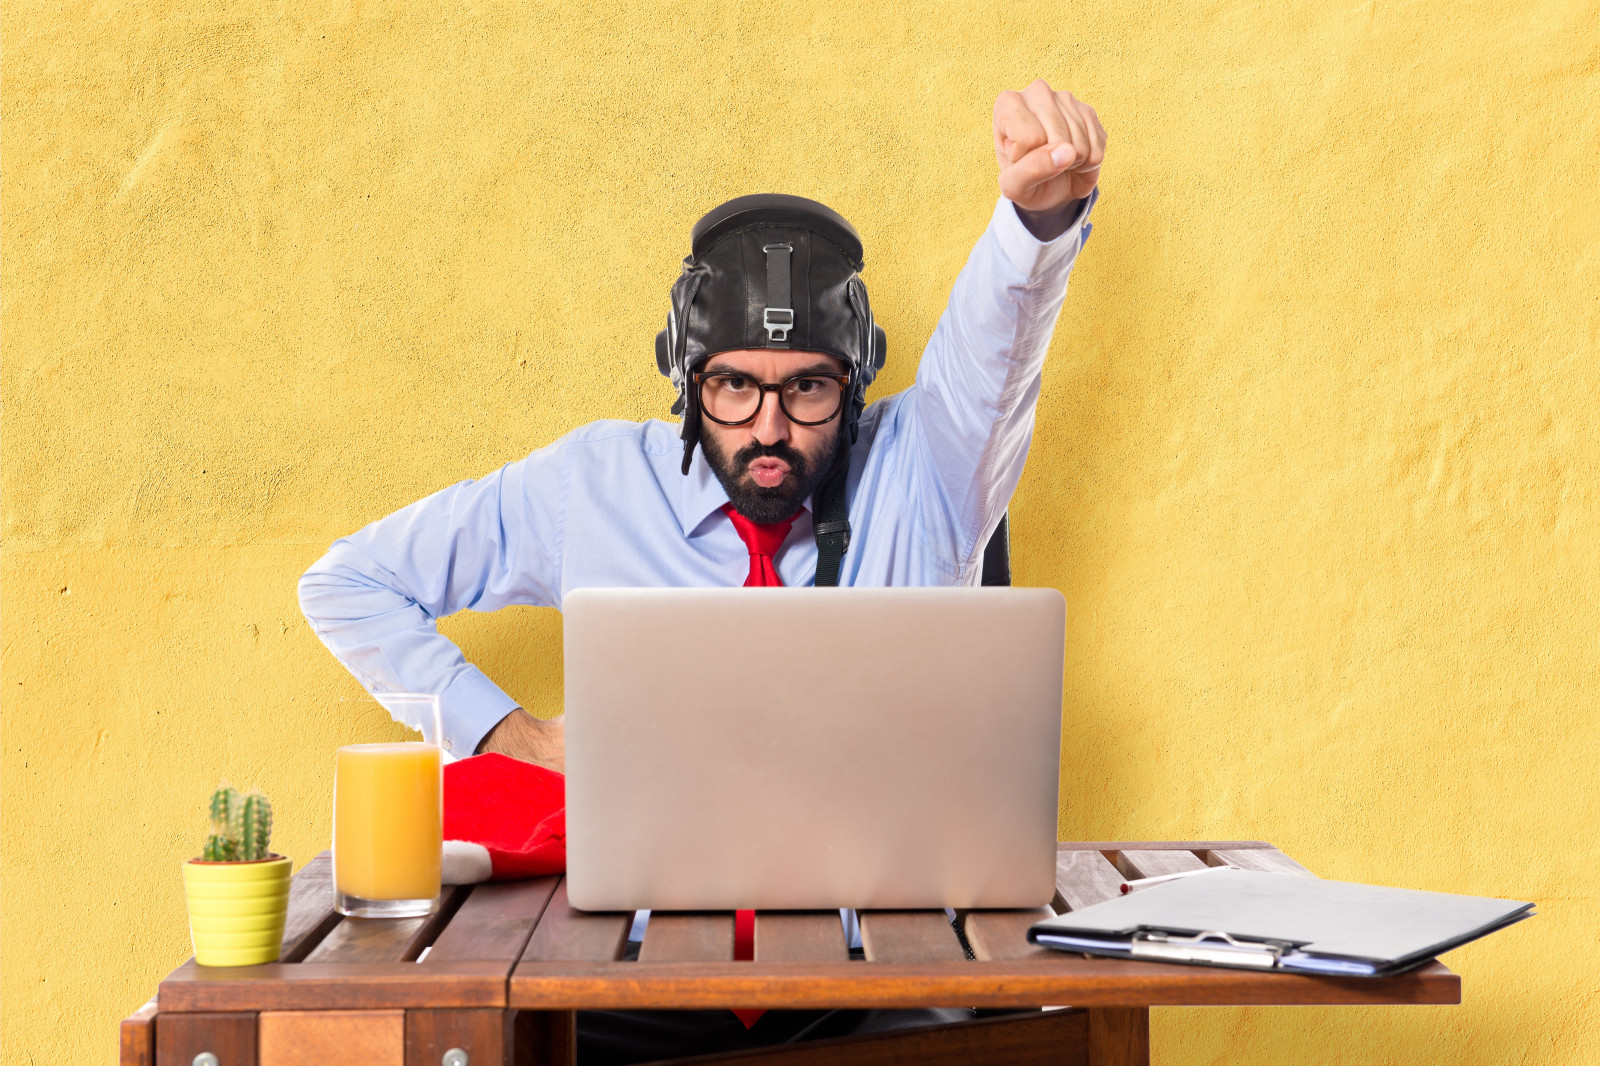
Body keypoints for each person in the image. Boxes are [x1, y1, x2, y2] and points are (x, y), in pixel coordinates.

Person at [299, 79, 1105, 1063]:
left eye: (807, 387)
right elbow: (346, 582)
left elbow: (998, 341)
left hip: (884, 970)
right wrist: (507, 734)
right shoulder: (589, 482)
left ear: (854, 386)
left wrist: (1037, 215)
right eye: (733, 386)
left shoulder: (929, 467)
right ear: (686, 381)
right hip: (632, 972)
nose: (769, 428)